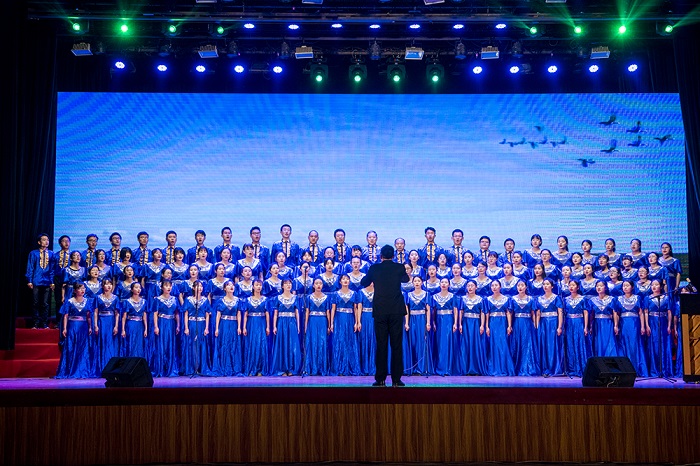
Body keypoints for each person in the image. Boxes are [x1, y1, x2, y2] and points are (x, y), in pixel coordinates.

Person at [360, 244, 410, 387]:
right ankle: (396, 379)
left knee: (381, 345)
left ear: (381, 256)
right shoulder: (399, 267)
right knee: (396, 345)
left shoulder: (374, 268)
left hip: (380, 310)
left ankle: (380, 379)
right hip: (396, 310)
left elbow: (364, 282)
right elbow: (406, 280)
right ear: (393, 256)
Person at [56, 283, 94, 379]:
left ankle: (82, 369)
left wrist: (90, 327)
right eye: (80, 288)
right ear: (75, 290)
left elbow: (89, 316)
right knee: (71, 348)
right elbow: (66, 316)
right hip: (72, 327)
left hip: (83, 327)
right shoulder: (69, 301)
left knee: (83, 348)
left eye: (84, 288)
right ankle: (70, 369)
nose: (82, 290)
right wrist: (65, 328)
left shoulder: (88, 301)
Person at [329, 275, 361, 376]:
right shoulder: (335, 294)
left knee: (350, 342)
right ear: (340, 281)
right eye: (343, 279)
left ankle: (351, 367)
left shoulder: (354, 293)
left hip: (350, 319)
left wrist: (357, 322)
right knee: (339, 341)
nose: (345, 280)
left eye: (347, 279)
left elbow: (355, 309)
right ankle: (339, 368)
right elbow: (333, 309)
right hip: (339, 319)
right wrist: (331, 323)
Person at [616, 280, 648, 377]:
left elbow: (641, 313)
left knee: (635, 345)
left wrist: (643, 326)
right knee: (623, 344)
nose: (625, 287)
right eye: (624, 286)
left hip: (635, 324)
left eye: (627, 285)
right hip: (623, 323)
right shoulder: (618, 299)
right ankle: (625, 369)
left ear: (632, 287)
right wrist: (616, 325)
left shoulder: (637, 298)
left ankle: (636, 368)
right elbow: (617, 314)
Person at [271, 279, 303, 376]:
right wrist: (274, 326)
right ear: (282, 286)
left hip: (292, 322)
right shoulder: (278, 298)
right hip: (281, 322)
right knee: (282, 344)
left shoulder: (295, 298)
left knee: (292, 344)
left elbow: (297, 313)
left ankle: (292, 368)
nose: (288, 285)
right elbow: (275, 313)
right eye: (286, 284)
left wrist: (298, 326)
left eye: (290, 283)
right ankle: (282, 369)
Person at [212, 280, 243, 377]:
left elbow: (239, 314)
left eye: (232, 285)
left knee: (234, 344)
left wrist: (239, 326)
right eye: (228, 285)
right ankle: (224, 367)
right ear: (224, 288)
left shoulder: (238, 300)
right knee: (224, 344)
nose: (231, 286)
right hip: (224, 324)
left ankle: (235, 368)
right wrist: (216, 328)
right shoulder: (220, 301)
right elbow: (218, 315)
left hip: (234, 324)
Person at [181, 280, 212, 376]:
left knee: (201, 345)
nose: (200, 288)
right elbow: (186, 314)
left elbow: (207, 314)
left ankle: (201, 368)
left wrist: (206, 328)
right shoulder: (188, 299)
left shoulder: (205, 300)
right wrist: (186, 327)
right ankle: (191, 367)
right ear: (193, 288)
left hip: (202, 323)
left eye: (201, 286)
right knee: (191, 345)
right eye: (198, 286)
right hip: (191, 324)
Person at [644, 279, 673, 378]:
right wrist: (647, 325)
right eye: (652, 285)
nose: (654, 286)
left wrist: (669, 325)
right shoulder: (648, 298)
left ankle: (664, 369)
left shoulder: (666, 298)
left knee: (663, 344)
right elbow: (646, 312)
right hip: (652, 322)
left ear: (661, 287)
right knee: (653, 344)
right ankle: (654, 370)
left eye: (656, 285)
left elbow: (669, 312)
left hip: (663, 322)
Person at [485, 280, 515, 376]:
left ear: (500, 287)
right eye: (492, 285)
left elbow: (508, 313)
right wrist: (487, 326)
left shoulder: (506, 299)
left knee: (503, 344)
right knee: (494, 344)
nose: (494, 287)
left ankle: (505, 367)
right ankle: (494, 368)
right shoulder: (487, 299)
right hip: (492, 323)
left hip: (503, 323)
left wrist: (509, 325)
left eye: (496, 285)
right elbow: (487, 313)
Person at [404, 276, 433, 376]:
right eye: (415, 281)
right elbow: (406, 310)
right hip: (412, 320)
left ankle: (422, 367)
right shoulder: (408, 295)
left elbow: (428, 310)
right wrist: (406, 323)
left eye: (418, 281)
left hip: (422, 319)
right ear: (412, 283)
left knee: (422, 342)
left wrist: (428, 323)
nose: (417, 283)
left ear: (422, 282)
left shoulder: (426, 294)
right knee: (413, 342)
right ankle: (413, 368)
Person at [509, 280, 539, 376]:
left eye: (522, 285)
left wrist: (535, 325)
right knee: (517, 344)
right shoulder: (512, 299)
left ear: (526, 287)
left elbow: (533, 313)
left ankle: (528, 367)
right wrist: (510, 325)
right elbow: (510, 313)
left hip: (527, 323)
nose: (520, 287)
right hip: (517, 323)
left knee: (527, 345)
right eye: (518, 285)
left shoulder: (531, 299)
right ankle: (517, 367)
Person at [151, 279, 180, 377]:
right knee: (161, 345)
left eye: (170, 286)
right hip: (162, 323)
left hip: (171, 324)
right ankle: (160, 368)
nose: (168, 287)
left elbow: (177, 313)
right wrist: (156, 326)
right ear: (162, 287)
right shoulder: (157, 299)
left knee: (170, 345)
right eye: (166, 286)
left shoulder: (175, 299)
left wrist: (178, 325)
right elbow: (155, 313)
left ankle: (170, 368)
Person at [458, 280, 487, 375]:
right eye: (468, 286)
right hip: (466, 323)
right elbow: (461, 311)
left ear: (476, 287)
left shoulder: (480, 299)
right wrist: (460, 324)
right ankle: (465, 368)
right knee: (466, 344)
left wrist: (482, 325)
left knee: (475, 344)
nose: (470, 287)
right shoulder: (463, 299)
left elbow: (483, 312)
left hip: (476, 323)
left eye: (472, 286)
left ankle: (476, 368)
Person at [26, 233, 54, 329]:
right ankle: (35, 323)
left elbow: (52, 269)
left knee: (45, 303)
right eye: (44, 239)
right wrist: (29, 280)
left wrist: (52, 281)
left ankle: (44, 323)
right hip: (36, 280)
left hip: (47, 281)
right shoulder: (33, 253)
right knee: (35, 302)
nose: (46, 242)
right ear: (39, 242)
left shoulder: (51, 254)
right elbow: (30, 267)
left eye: (47, 240)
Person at [242, 280, 270, 376]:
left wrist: (268, 327)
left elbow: (267, 313)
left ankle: (260, 369)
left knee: (261, 344)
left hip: (261, 323)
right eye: (257, 285)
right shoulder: (247, 300)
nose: (259, 287)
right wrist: (244, 327)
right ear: (253, 287)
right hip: (251, 323)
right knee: (251, 344)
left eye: (260, 285)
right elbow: (245, 314)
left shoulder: (265, 299)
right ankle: (251, 369)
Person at [536, 278, 564, 377]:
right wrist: (537, 326)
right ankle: (544, 368)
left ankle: (554, 368)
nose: (545, 286)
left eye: (547, 284)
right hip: (543, 323)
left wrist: (559, 326)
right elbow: (538, 313)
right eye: (544, 284)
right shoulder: (539, 298)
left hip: (553, 322)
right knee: (544, 345)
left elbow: (560, 312)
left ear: (552, 286)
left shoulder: (556, 298)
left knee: (553, 344)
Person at [431, 278, 459, 376]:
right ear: (439, 284)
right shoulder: (434, 297)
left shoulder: (453, 296)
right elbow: (433, 311)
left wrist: (455, 323)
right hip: (439, 321)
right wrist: (433, 322)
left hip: (448, 320)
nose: (443, 284)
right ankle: (439, 366)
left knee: (447, 342)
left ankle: (448, 368)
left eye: (446, 282)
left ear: (449, 285)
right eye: (442, 282)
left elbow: (455, 310)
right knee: (439, 343)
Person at [304, 278, 331, 376]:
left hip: (323, 321)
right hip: (312, 321)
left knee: (322, 343)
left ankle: (322, 368)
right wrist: (306, 325)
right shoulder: (309, 297)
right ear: (313, 285)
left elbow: (328, 312)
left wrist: (329, 325)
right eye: (316, 283)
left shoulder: (326, 298)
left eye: (320, 283)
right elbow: (307, 312)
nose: (318, 285)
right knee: (312, 343)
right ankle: (312, 368)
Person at [563, 281, 591, 377]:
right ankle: (572, 368)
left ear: (578, 287)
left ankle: (581, 367)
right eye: (569, 285)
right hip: (569, 323)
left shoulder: (583, 299)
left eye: (573, 285)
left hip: (579, 322)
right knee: (570, 344)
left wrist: (585, 327)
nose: (571, 287)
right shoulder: (565, 299)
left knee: (579, 343)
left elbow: (586, 313)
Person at [93, 278, 120, 376]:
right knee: (102, 343)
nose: (108, 286)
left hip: (111, 322)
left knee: (111, 344)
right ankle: (102, 367)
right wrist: (95, 325)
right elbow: (95, 312)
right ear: (102, 286)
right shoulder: (98, 298)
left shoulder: (115, 298)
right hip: (101, 322)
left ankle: (112, 367)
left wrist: (116, 326)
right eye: (106, 284)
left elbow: (117, 313)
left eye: (110, 284)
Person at [588, 280, 619, 357]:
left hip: (608, 323)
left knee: (609, 342)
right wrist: (590, 326)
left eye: (601, 286)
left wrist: (616, 325)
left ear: (605, 287)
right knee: (598, 343)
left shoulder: (612, 299)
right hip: (597, 324)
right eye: (597, 286)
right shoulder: (592, 300)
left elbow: (615, 313)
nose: (599, 287)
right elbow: (591, 314)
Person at [120, 282, 148, 359]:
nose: (138, 289)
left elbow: (144, 317)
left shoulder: (144, 302)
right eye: (136, 287)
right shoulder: (127, 302)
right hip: (130, 324)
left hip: (140, 325)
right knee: (131, 343)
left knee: (139, 344)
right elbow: (124, 317)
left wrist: (146, 329)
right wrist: (123, 330)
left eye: (139, 288)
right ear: (132, 290)